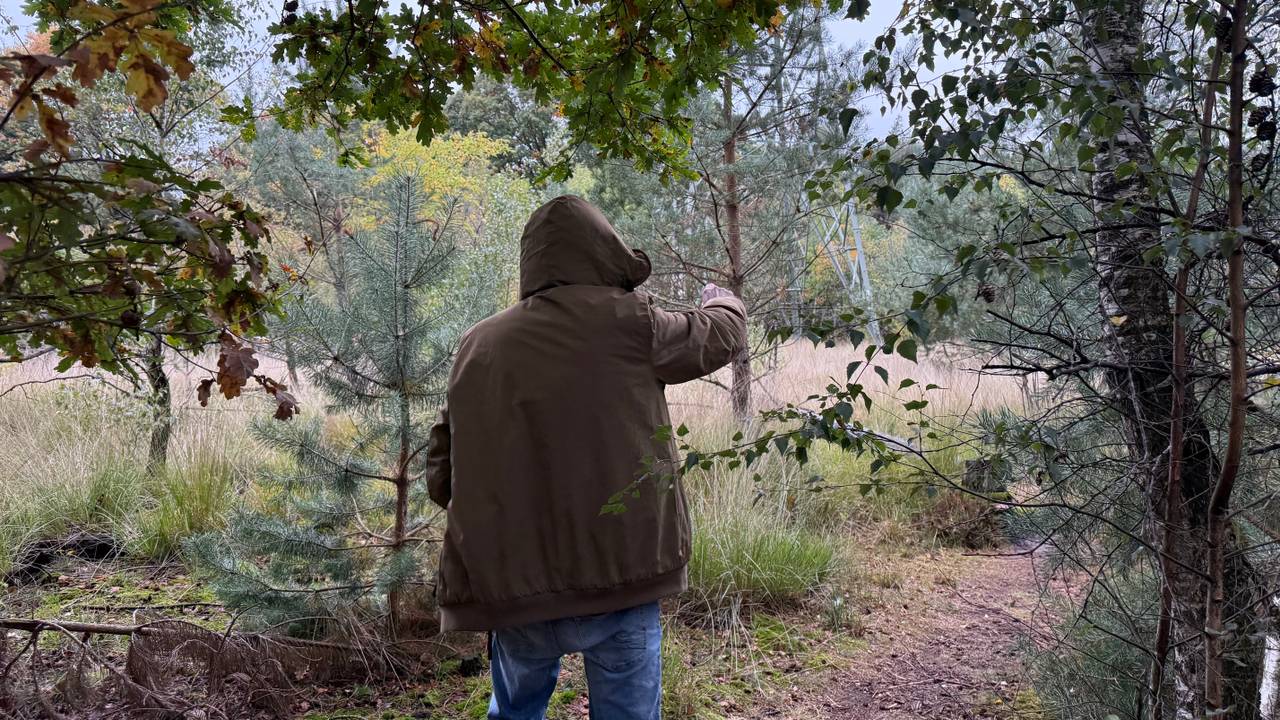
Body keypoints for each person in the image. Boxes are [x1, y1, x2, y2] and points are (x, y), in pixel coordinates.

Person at [424, 195, 747, 720]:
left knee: (514, 711)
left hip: (516, 589)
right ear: (604, 252)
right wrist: (723, 301)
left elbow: (442, 474)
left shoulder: (478, 344)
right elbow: (720, 337)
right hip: (624, 576)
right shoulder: (632, 322)